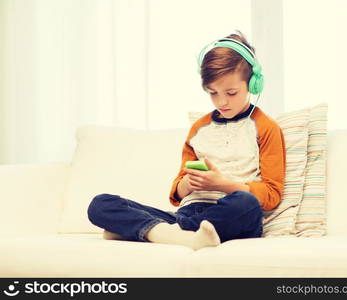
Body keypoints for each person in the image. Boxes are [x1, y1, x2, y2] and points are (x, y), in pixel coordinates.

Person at [87, 30, 286, 251]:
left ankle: (151, 231)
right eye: (213, 93)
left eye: (231, 92)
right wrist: (187, 184)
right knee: (101, 204)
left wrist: (221, 184)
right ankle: (183, 235)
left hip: (231, 213)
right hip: (187, 213)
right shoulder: (199, 128)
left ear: (253, 84)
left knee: (246, 204)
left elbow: (271, 195)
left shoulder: (267, 128)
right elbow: (176, 193)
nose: (222, 102)